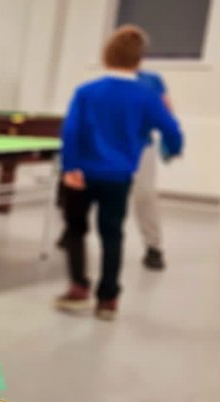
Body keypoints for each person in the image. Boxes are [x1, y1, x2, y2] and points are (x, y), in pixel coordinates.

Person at [56, 25, 182, 321]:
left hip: (82, 175)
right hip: (118, 176)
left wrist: (69, 166)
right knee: (112, 234)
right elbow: (170, 126)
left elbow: (71, 131)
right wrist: (173, 148)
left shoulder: (86, 92)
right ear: (139, 61)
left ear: (104, 56)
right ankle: (108, 298)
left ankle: (78, 286)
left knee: (76, 230)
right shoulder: (146, 94)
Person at [132, 68, 173, 270]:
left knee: (145, 194)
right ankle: (72, 232)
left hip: (142, 146)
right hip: (110, 144)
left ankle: (153, 247)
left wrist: (169, 137)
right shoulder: (108, 80)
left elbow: (165, 108)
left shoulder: (151, 80)